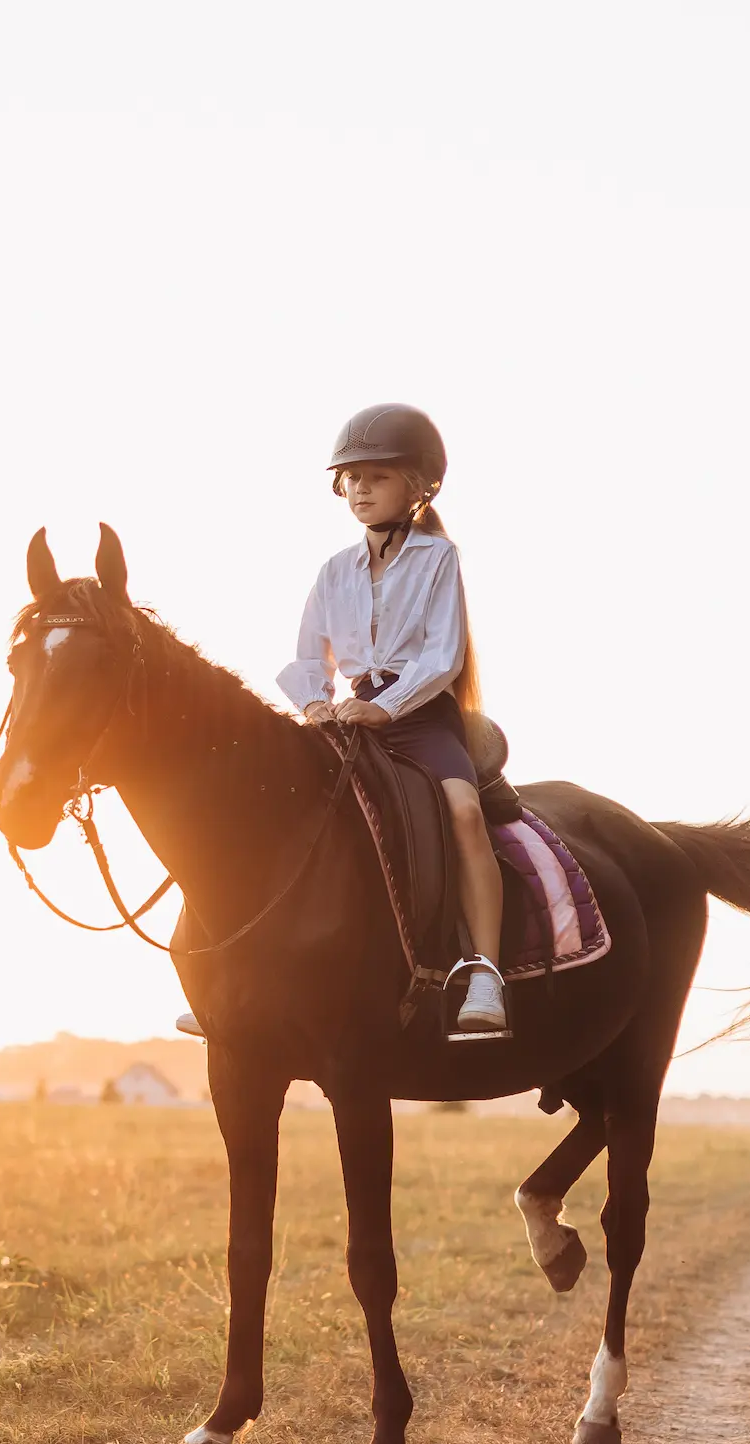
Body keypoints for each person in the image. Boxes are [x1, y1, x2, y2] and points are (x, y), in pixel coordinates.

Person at [176, 403, 509, 1041]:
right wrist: (315, 703)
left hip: (419, 717)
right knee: (269, 806)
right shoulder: (334, 571)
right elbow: (309, 653)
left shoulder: (439, 559)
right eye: (351, 477)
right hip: (348, 716)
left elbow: (442, 657)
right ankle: (231, 965)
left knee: (465, 812)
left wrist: (384, 706)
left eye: (377, 476)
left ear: (419, 486)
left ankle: (485, 971)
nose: (360, 488)